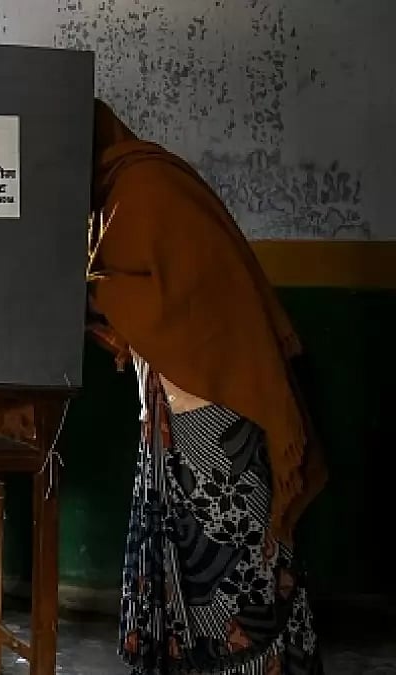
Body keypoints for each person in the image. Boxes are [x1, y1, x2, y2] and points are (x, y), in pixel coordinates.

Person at [86, 100, 328, 674]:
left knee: (235, 569)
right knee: (199, 568)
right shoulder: (120, 190)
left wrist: (92, 292)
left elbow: (162, 302)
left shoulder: (145, 188)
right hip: (183, 404)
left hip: (218, 409)